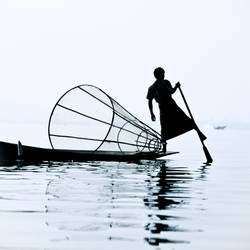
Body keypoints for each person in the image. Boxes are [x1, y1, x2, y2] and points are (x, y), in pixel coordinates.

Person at [147, 67, 206, 153]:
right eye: (162, 73)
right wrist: (176, 86)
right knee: (186, 120)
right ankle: (200, 134)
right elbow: (171, 91)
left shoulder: (152, 87)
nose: (164, 75)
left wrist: (152, 113)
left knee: (165, 128)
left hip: (164, 109)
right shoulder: (163, 83)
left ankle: (164, 148)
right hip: (171, 107)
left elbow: (150, 101)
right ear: (158, 75)